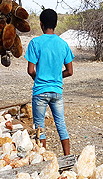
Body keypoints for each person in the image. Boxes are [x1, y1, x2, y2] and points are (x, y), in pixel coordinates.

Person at [25, 9, 74, 155]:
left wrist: (38, 77)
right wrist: (56, 77)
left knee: (40, 127)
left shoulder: (35, 43)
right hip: (57, 91)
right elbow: (70, 71)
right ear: (56, 24)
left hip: (40, 91)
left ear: (41, 24)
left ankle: (43, 158)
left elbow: (30, 70)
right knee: (61, 124)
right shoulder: (63, 44)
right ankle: (67, 156)